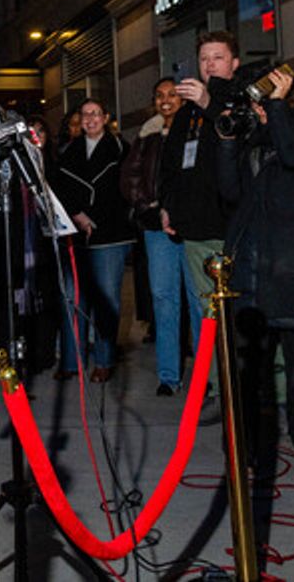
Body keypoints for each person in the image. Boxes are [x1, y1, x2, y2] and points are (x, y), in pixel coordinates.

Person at [215, 66, 294, 468]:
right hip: (252, 259)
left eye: (263, 98)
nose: (257, 108)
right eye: (254, 101)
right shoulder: (254, 128)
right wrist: (226, 143)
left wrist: (276, 108)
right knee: (249, 364)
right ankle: (247, 442)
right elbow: (230, 191)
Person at [120, 77, 200, 395]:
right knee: (164, 300)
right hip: (157, 230)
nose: (165, 100)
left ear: (183, 99)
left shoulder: (197, 128)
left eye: (172, 95)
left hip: (192, 227)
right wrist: (147, 206)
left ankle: (207, 377)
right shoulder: (148, 134)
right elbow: (130, 177)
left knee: (198, 301)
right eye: (159, 95)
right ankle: (169, 376)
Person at [159, 31, 242, 331]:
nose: (210, 64)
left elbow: (242, 140)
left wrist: (210, 104)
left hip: (234, 227)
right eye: (204, 58)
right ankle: (212, 364)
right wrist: (167, 206)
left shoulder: (244, 100)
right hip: (195, 228)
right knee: (206, 312)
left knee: (240, 311)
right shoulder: (186, 113)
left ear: (234, 63)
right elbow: (170, 165)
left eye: (218, 57)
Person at [54, 99, 132, 382]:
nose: (90, 119)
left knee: (106, 300)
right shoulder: (68, 151)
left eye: (95, 114)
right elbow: (59, 188)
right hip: (75, 233)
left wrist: (95, 217)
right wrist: (77, 214)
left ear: (106, 117)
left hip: (110, 233)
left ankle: (104, 360)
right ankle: (71, 361)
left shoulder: (121, 148)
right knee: (73, 299)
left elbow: (126, 190)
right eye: (85, 114)